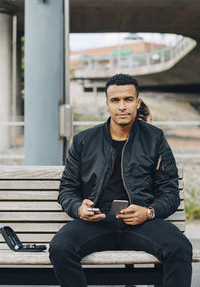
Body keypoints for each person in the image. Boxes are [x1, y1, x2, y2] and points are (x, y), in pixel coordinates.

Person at [49, 74, 192, 287]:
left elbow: (170, 192)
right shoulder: (84, 140)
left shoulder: (155, 138)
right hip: (97, 221)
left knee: (180, 248)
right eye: (115, 100)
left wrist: (149, 211)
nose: (122, 106)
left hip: (141, 223)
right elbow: (67, 190)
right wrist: (79, 208)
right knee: (60, 247)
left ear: (137, 102)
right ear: (107, 103)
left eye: (128, 99)